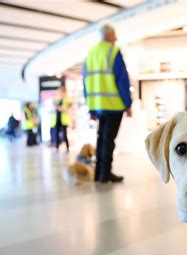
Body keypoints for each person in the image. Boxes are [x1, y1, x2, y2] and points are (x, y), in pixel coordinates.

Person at [83, 24, 132, 183]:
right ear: (109, 35)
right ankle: (105, 174)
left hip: (97, 105)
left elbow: (86, 82)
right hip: (113, 105)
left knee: (101, 138)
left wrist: (91, 107)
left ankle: (99, 173)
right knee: (108, 140)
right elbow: (122, 80)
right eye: (115, 35)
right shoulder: (113, 52)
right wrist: (127, 103)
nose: (116, 38)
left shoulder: (91, 53)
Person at [51, 85, 72, 152]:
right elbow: (54, 107)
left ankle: (67, 147)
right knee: (57, 134)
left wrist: (60, 109)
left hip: (64, 120)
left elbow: (67, 109)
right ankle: (57, 147)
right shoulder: (57, 100)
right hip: (57, 119)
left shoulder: (68, 100)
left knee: (64, 134)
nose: (60, 93)